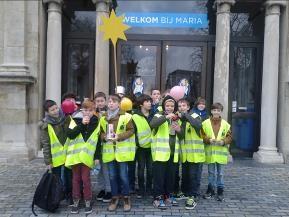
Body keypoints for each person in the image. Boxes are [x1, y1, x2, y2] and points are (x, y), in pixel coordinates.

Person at [99, 94, 135, 212]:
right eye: (109, 101)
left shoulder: (126, 116)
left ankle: (126, 198)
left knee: (123, 176)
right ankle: (114, 197)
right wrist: (105, 137)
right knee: (112, 176)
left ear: (119, 104)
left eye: (114, 101)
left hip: (122, 153)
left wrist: (118, 136)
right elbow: (101, 133)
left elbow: (131, 131)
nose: (111, 103)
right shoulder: (103, 117)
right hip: (110, 152)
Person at [66, 100, 100, 214]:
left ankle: (87, 200)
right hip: (75, 156)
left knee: (86, 179)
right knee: (76, 179)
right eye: (85, 110)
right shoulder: (75, 120)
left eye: (90, 110)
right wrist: (82, 124)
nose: (87, 113)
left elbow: (97, 141)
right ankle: (75, 200)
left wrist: (97, 157)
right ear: (81, 110)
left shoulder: (96, 121)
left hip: (87, 156)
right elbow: (70, 135)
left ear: (93, 111)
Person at [150, 95, 184, 209]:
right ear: (164, 106)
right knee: (159, 177)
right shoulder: (158, 115)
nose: (170, 107)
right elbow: (152, 124)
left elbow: (182, 136)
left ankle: (168, 195)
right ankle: (157, 198)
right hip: (160, 153)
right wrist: (166, 117)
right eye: (167, 105)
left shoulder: (177, 118)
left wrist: (179, 130)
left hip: (173, 153)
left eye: (172, 106)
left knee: (171, 177)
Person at [40, 100, 73, 205]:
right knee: (56, 178)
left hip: (68, 154)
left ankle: (69, 195)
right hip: (56, 157)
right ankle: (56, 197)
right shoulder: (46, 125)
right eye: (52, 110)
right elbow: (46, 144)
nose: (55, 111)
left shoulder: (67, 118)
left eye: (56, 108)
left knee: (69, 177)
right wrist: (48, 161)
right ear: (47, 112)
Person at [201, 102, 232, 202]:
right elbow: (202, 134)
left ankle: (220, 190)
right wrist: (208, 140)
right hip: (210, 152)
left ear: (221, 112)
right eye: (214, 110)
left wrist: (223, 142)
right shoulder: (205, 123)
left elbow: (230, 136)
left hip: (220, 153)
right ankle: (210, 189)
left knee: (220, 173)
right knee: (210, 172)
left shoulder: (226, 124)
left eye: (218, 111)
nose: (216, 112)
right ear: (211, 111)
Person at [177, 98, 204, 210]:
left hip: (195, 155)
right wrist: (178, 130)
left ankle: (193, 196)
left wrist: (186, 115)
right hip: (186, 154)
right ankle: (185, 192)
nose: (181, 108)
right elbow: (182, 136)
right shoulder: (181, 120)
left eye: (183, 106)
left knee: (194, 176)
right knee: (186, 175)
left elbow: (197, 126)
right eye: (179, 106)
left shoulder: (195, 116)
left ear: (188, 107)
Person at [132, 94, 153, 198]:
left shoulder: (154, 114)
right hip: (140, 148)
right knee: (140, 169)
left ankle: (149, 189)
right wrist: (136, 144)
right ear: (141, 104)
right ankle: (141, 189)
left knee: (151, 169)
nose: (150, 103)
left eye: (150, 101)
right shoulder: (135, 116)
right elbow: (133, 132)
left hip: (152, 147)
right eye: (147, 101)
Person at [94, 92, 112, 203]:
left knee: (106, 169)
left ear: (105, 101)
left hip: (105, 144)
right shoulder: (93, 113)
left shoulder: (109, 113)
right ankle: (101, 188)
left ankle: (109, 190)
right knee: (98, 168)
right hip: (95, 145)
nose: (100, 103)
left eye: (101, 101)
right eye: (97, 101)